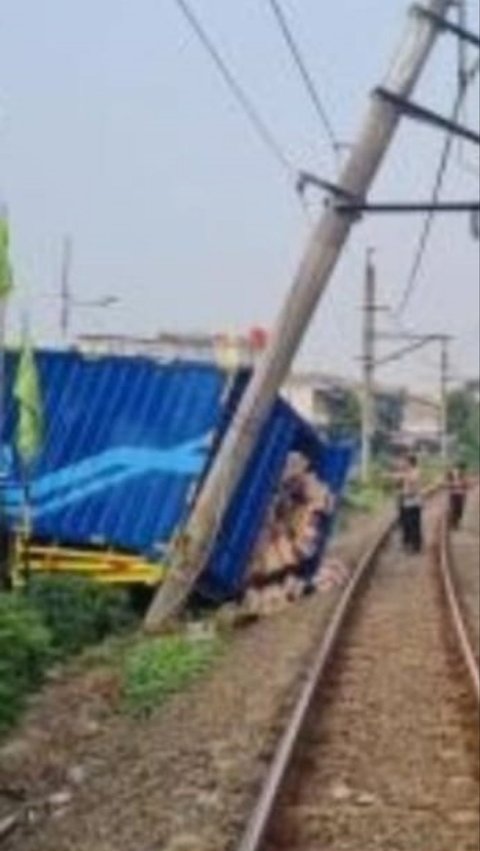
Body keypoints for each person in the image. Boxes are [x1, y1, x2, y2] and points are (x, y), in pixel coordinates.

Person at [397, 454, 423, 554]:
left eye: (405, 462)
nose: (404, 463)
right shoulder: (408, 472)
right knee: (407, 524)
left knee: (414, 525)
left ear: (410, 463)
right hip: (407, 502)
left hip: (414, 502)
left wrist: (404, 492)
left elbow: (413, 487)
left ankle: (416, 546)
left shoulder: (415, 472)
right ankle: (410, 544)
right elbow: (399, 482)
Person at [447, 462, 469, 530]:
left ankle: (454, 523)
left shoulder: (463, 474)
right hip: (456, 494)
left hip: (458, 494)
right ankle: (453, 523)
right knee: (455, 509)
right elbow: (447, 481)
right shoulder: (452, 473)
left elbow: (466, 484)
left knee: (457, 509)